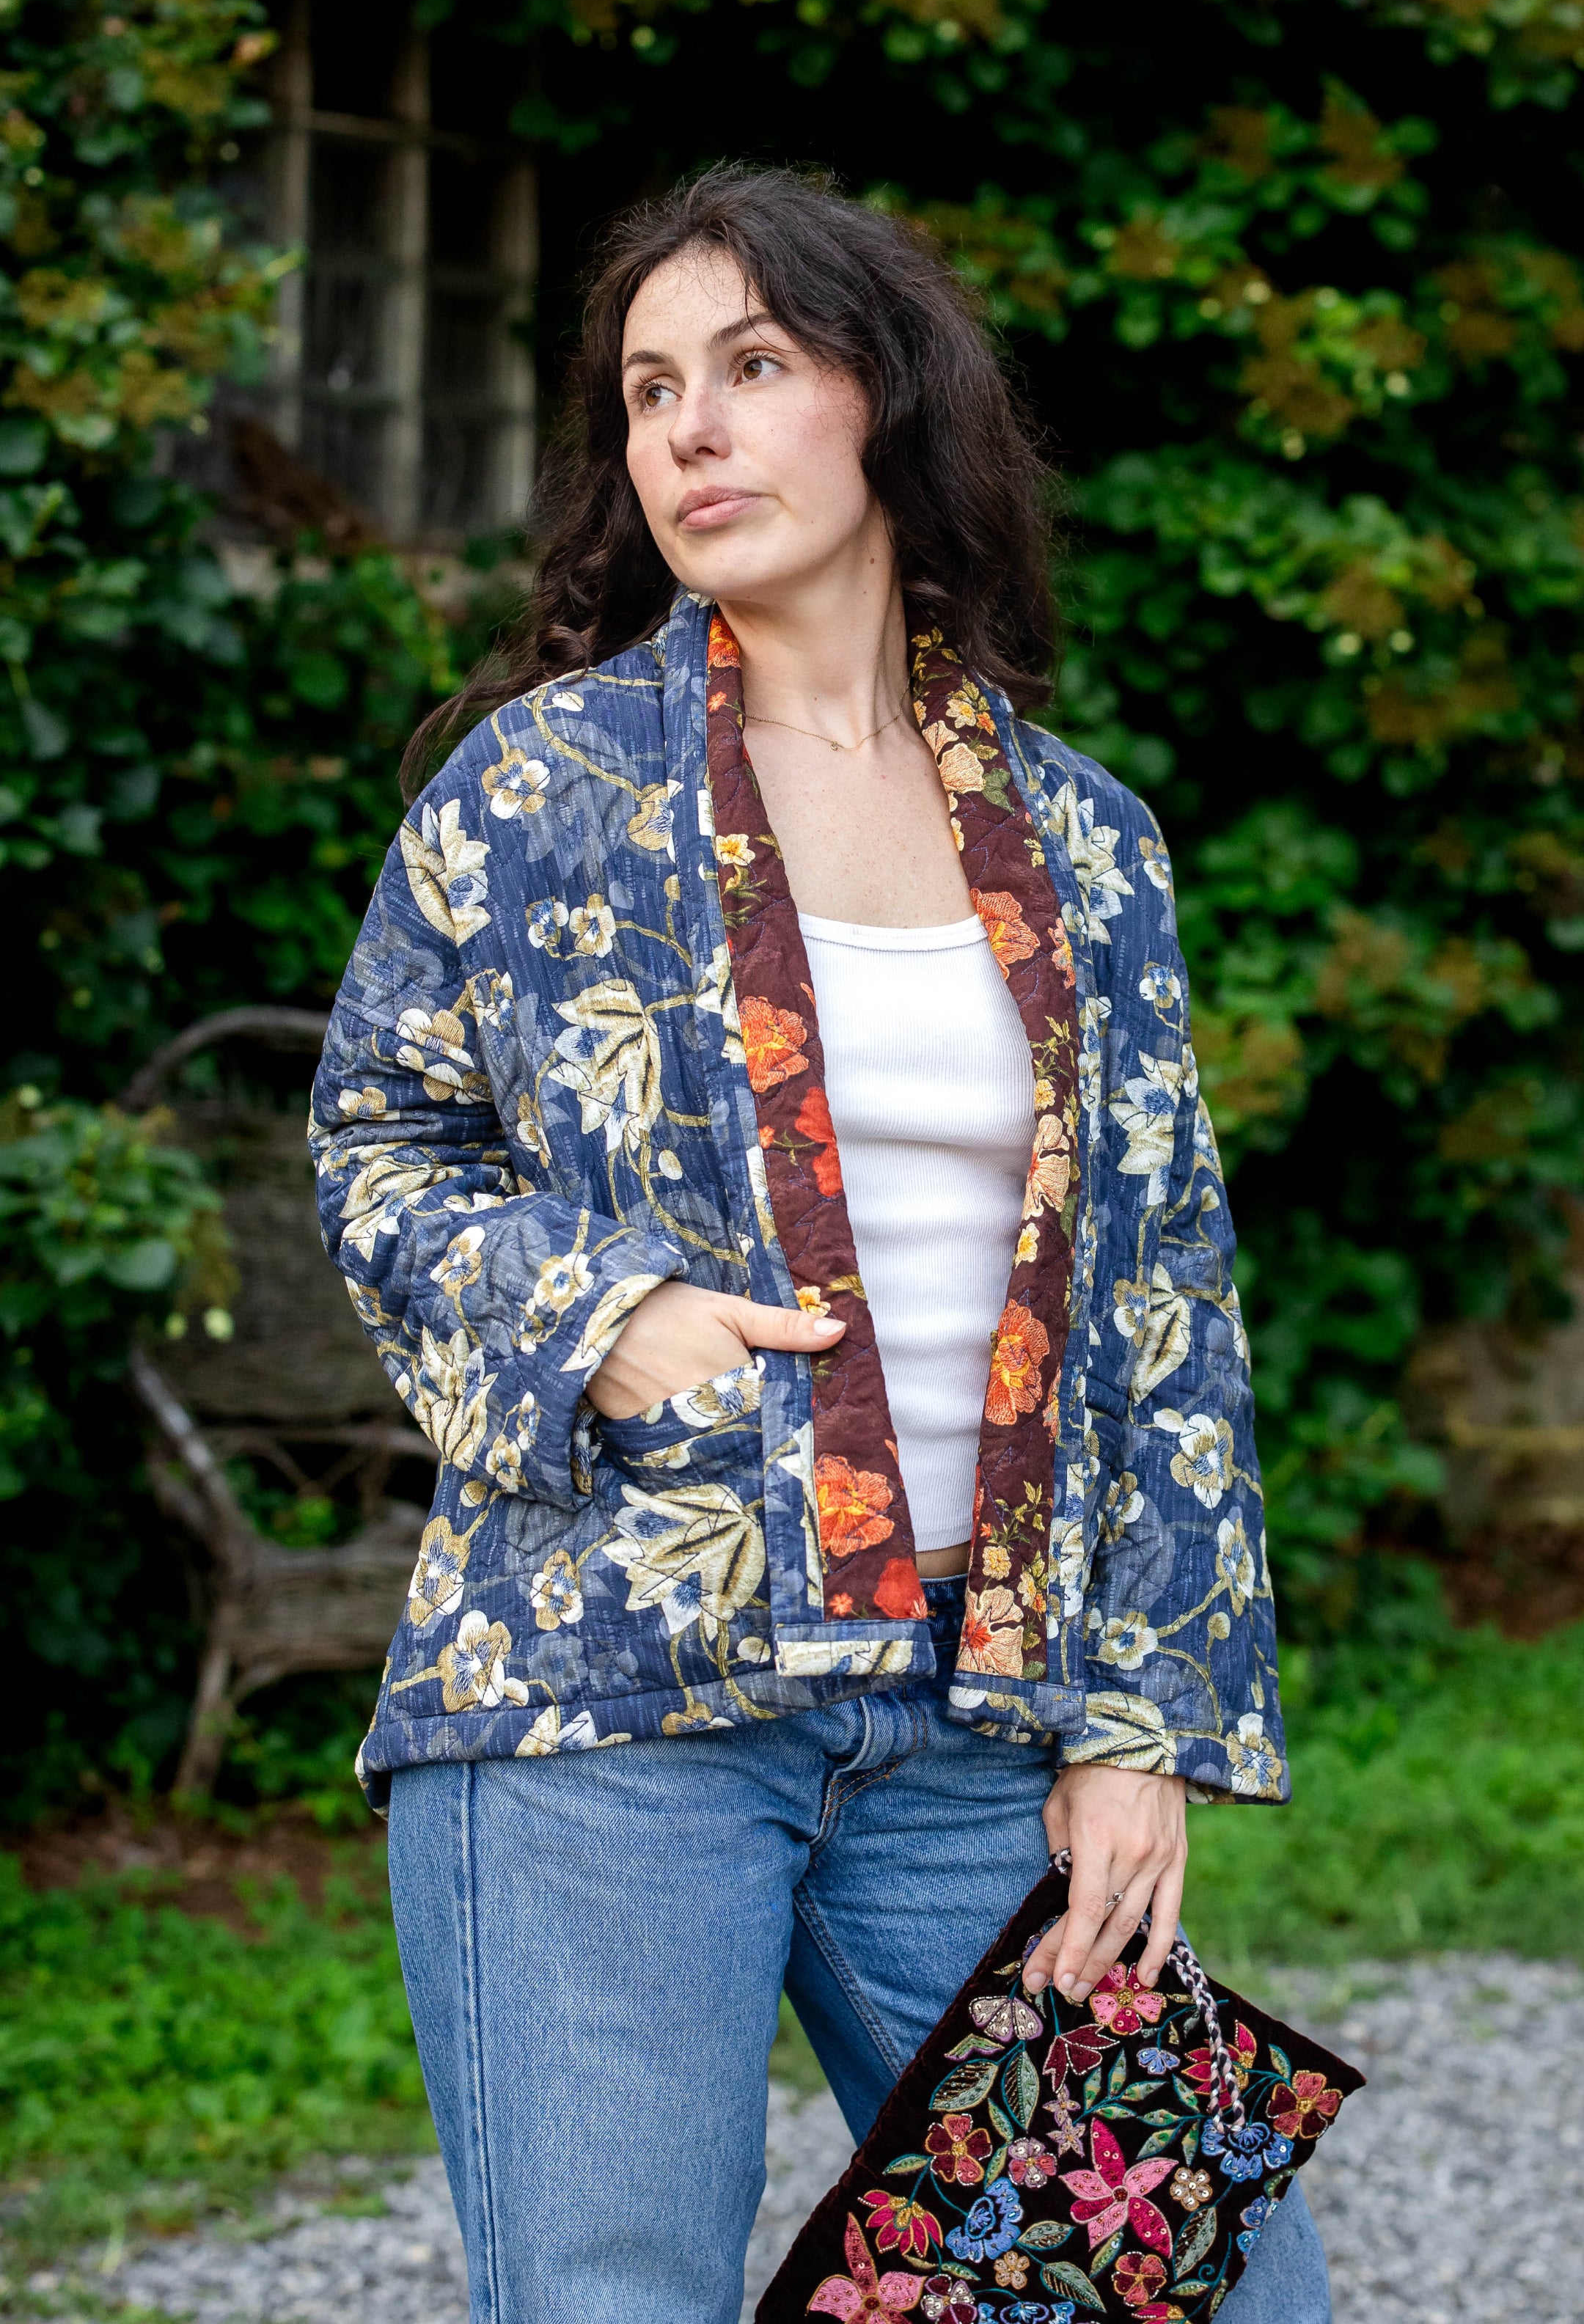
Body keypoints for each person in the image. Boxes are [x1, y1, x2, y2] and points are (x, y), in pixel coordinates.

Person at [309, 165, 1322, 2324]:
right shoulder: (532, 794)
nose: (689, 428)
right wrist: (605, 1311)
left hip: (981, 1726)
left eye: (754, 368)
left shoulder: (1085, 844)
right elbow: (379, 1151)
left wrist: (1139, 1721)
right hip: (602, 1710)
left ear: (889, 407)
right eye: (652, 387)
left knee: (1206, 2291)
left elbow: (1165, 1300)